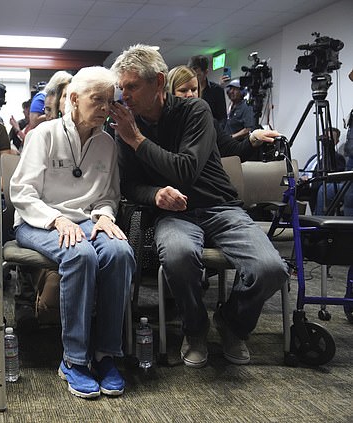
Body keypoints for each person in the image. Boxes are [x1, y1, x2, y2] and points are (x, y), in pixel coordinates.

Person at [109, 44, 288, 368]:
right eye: (122, 87)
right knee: (177, 257)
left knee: (271, 269)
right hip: (174, 215)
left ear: (158, 83)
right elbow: (130, 186)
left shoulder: (195, 112)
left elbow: (185, 170)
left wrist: (136, 140)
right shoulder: (126, 126)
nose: (125, 95)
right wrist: (155, 195)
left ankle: (232, 323)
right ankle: (195, 329)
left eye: (132, 86)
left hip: (221, 209)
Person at [10, 66, 135, 398]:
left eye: (110, 101)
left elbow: (108, 195)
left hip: (86, 220)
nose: (106, 108)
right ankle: (74, 359)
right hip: (38, 221)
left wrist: (105, 217)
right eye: (98, 100)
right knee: (79, 254)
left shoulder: (107, 142)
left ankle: (106, 354)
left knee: (120, 252)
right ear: (74, 99)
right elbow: (22, 192)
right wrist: (56, 220)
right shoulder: (44, 134)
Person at [167, 65, 280, 162]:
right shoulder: (163, 123)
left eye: (194, 89)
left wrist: (253, 139)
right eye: (183, 91)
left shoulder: (208, 122)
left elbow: (234, 151)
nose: (190, 94)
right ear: (170, 92)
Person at [188, 55, 227, 125]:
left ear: (206, 72)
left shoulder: (217, 90)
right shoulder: (188, 91)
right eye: (192, 76)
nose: (194, 79)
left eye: (198, 75)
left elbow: (222, 118)